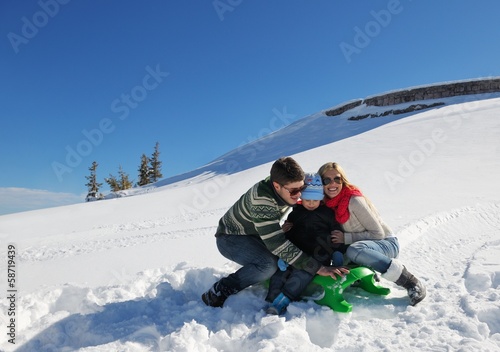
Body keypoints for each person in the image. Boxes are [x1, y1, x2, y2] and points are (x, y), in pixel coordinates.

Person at [201, 157, 348, 309]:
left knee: (283, 261)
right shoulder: (262, 200)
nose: (299, 195)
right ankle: (220, 290)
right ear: (277, 186)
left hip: (257, 234)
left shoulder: (285, 184)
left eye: (302, 188)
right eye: (294, 191)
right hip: (232, 238)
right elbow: (277, 243)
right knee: (268, 265)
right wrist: (317, 267)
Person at [318, 162, 426, 306]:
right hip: (362, 247)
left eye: (337, 179)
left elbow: (378, 233)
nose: (333, 183)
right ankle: (367, 273)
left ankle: (411, 282)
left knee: (354, 249)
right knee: (339, 255)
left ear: (342, 180)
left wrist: (346, 238)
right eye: (327, 180)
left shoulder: (353, 200)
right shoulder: (328, 204)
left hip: (386, 243)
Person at [265, 172, 349, 315]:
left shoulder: (327, 214)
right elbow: (290, 233)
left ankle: (283, 300)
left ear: (321, 199)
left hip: (318, 255)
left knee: (302, 274)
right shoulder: (295, 213)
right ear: (301, 198)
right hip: (295, 252)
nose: (311, 203)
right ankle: (272, 297)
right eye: (307, 199)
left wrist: (337, 253)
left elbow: (335, 235)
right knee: (281, 272)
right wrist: (283, 234)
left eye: (315, 200)